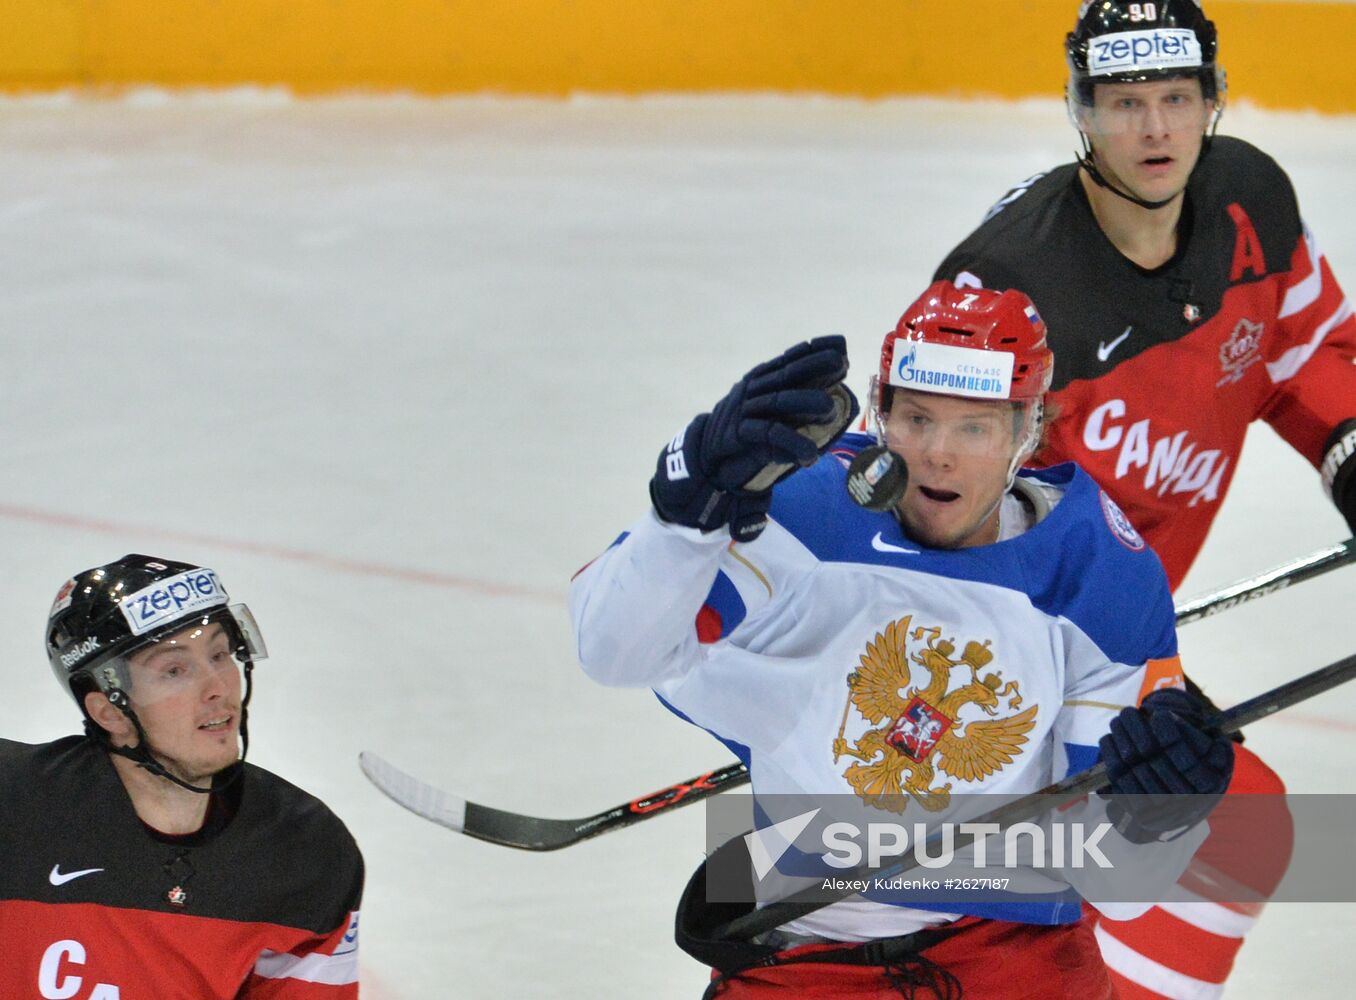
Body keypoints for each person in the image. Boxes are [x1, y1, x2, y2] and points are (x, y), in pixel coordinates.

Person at [570, 281, 1234, 998]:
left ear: (1027, 433)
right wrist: (685, 514)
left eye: (975, 428)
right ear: (880, 412)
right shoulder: (805, 514)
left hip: (1008, 959)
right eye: (916, 418)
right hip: (805, 958)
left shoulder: (1095, 572)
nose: (937, 456)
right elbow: (613, 651)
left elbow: (1121, 884)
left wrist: (1163, 814)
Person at [930, 3, 1353, 994]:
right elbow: (958, 525)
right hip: (1015, 648)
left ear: (1213, 100)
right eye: (1125, 104)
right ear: (1080, 112)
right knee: (1222, 826)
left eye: (1176, 98)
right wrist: (1136, 668)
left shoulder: (1253, 207)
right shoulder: (1007, 289)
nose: (1156, 130)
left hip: (1116, 633)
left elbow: (1309, 357)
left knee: (1222, 832)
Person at [0, 555, 364, 999]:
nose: (217, 687)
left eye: (219, 654)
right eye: (175, 670)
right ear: (109, 711)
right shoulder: (13, 803)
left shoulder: (304, 851)